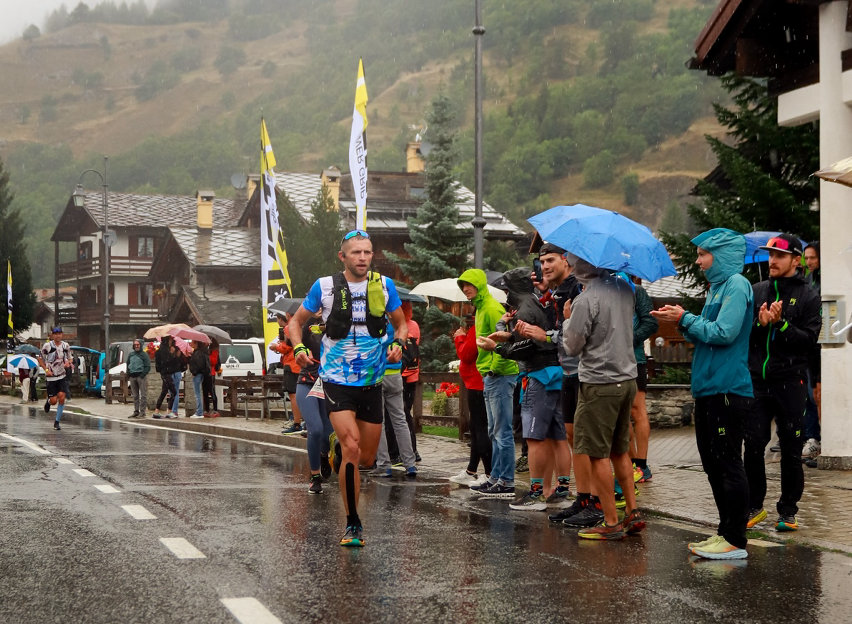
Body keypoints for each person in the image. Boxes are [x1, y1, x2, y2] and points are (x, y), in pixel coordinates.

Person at [289, 229, 407, 548]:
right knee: (352, 447)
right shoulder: (324, 287)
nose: (363, 258)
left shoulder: (384, 286)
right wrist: (299, 349)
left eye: (367, 252)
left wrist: (399, 343)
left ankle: (340, 452)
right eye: (356, 252)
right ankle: (353, 523)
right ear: (343, 256)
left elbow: (402, 323)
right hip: (336, 379)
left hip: (372, 382)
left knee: (365, 458)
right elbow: (294, 324)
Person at [652, 228, 752, 559]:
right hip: (709, 389)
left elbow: (725, 333)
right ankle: (725, 532)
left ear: (720, 255)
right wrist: (679, 320)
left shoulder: (737, 285)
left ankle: (736, 539)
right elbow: (707, 332)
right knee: (712, 464)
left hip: (728, 389)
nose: (698, 261)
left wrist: (686, 318)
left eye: (702, 254)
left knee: (727, 462)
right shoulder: (717, 289)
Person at [743, 234, 821, 532]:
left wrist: (781, 324)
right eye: (769, 255)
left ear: (796, 260)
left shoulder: (808, 295)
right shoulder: (757, 290)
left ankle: (787, 511)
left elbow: (809, 342)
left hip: (791, 382)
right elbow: (743, 335)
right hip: (757, 382)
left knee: (791, 448)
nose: (772, 260)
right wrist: (760, 325)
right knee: (752, 446)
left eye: (779, 255)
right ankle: (754, 506)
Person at [478, 262, 569, 513]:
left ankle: (537, 492)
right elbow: (524, 338)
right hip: (556, 373)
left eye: (507, 289)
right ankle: (560, 490)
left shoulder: (524, 309)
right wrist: (504, 332)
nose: (505, 295)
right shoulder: (537, 302)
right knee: (557, 436)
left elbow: (528, 346)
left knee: (535, 437)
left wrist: (495, 347)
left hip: (538, 375)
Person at [562, 258, 642, 540]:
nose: (570, 267)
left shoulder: (585, 300)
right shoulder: (624, 288)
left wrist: (567, 319)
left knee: (597, 455)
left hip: (599, 383)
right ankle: (632, 512)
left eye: (572, 262)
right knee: (620, 451)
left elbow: (572, 346)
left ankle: (610, 522)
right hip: (627, 379)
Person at [458, 268, 519, 499]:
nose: (465, 289)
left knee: (502, 432)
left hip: (499, 376)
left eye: (469, 284)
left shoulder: (492, 307)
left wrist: (495, 369)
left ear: (480, 285)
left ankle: (507, 481)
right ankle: (496, 477)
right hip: (489, 376)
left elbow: (505, 340)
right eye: (462, 285)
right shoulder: (481, 308)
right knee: (494, 430)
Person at [294, 314, 333, 494]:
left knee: (328, 434)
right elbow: (295, 333)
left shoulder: (335, 323)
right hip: (307, 382)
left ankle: (323, 455)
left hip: (329, 384)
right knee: (315, 429)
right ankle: (315, 476)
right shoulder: (308, 326)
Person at [373, 321, 418, 478]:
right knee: (400, 420)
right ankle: (410, 464)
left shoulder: (369, 321)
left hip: (376, 374)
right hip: (395, 374)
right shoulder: (394, 321)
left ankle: (384, 465)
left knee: (380, 421)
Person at [449, 315, 490, 486]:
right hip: (475, 382)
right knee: (475, 428)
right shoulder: (475, 328)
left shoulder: (479, 327)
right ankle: (471, 470)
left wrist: (459, 338)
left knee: (480, 429)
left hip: (478, 383)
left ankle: (489, 473)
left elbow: (466, 354)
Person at [627, 275, 658, 483]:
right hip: (612, 361)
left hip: (635, 359)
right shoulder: (604, 290)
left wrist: (629, 338)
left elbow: (650, 323)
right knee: (622, 414)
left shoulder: (637, 292)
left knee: (637, 410)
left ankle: (642, 465)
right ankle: (629, 463)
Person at [802, 241, 822, 465]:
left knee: (816, 396)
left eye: (813, 258)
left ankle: (819, 439)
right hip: (808, 348)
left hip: (819, 346)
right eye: (806, 258)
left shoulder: (825, 281)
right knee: (808, 397)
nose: (809, 262)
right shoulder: (808, 281)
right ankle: (812, 437)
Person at [270, 313, 303, 434]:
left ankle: (297, 422)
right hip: (300, 364)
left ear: (288, 315)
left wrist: (276, 347)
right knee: (300, 393)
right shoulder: (301, 326)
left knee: (293, 394)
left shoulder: (289, 328)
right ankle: (300, 420)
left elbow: (287, 347)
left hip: (291, 364)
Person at [400, 301, 421, 461]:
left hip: (405, 376)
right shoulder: (413, 324)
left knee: (403, 415)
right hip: (412, 375)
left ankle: (411, 450)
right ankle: (411, 450)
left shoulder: (406, 326)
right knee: (405, 414)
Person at [40, 327, 72, 430]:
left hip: (62, 376)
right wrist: (46, 370)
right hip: (51, 377)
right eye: (55, 333)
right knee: (54, 401)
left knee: (62, 397)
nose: (58, 335)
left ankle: (57, 422)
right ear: (52, 335)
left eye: (59, 333)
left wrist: (68, 362)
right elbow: (40, 359)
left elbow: (70, 357)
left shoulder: (65, 346)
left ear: (62, 334)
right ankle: (48, 402)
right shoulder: (47, 346)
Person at [153, 336, 181, 419]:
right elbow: (168, 362)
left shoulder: (160, 350)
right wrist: (173, 355)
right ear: (167, 340)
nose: (171, 341)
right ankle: (169, 411)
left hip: (164, 373)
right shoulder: (165, 351)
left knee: (164, 391)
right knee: (174, 392)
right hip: (166, 373)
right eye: (170, 339)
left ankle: (157, 411)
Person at [127, 339, 151, 419]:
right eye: (135, 345)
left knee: (143, 395)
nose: (136, 346)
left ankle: (142, 412)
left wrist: (142, 375)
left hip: (141, 377)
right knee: (135, 396)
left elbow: (148, 366)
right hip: (132, 377)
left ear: (140, 345)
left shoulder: (144, 355)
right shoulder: (131, 355)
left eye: (138, 344)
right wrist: (129, 374)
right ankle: (136, 411)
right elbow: (128, 364)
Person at [188, 340, 210, 419]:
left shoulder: (198, 353)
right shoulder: (201, 352)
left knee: (197, 394)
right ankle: (199, 411)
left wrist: (194, 372)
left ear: (196, 343)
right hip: (201, 374)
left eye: (193, 342)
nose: (191, 344)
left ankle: (199, 412)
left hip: (197, 375)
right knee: (198, 393)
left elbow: (198, 365)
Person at [204, 338, 221, 417]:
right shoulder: (207, 350)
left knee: (212, 391)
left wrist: (207, 357)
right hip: (205, 373)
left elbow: (213, 361)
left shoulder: (214, 351)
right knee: (205, 392)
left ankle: (215, 410)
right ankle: (207, 409)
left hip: (211, 373)